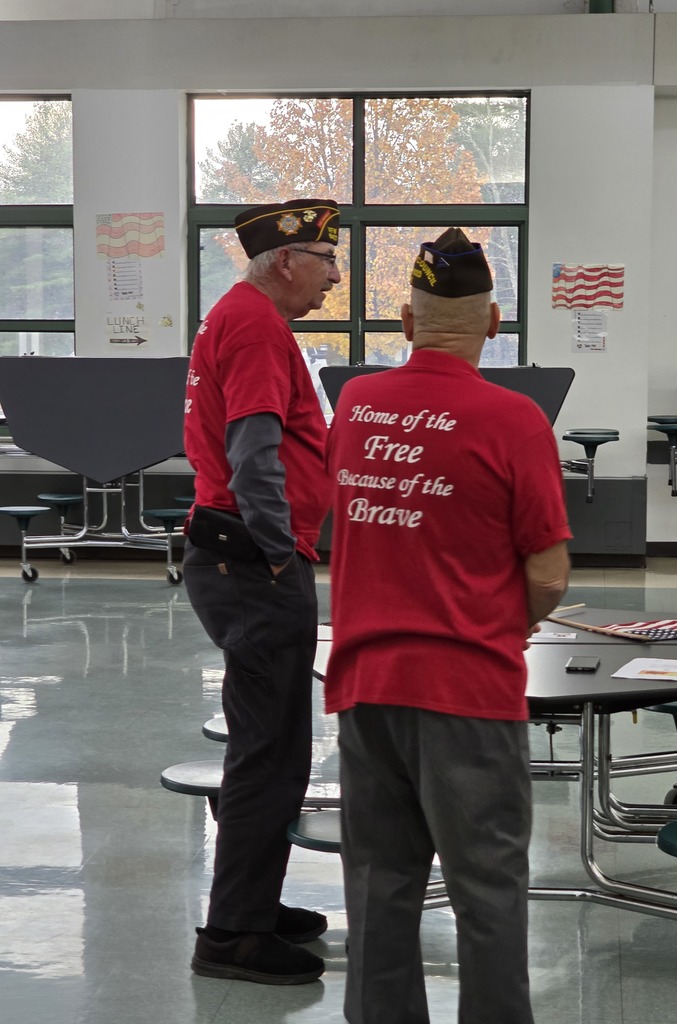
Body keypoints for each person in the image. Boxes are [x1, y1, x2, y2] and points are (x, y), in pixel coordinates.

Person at [324, 228, 572, 1023]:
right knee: (487, 893)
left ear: (404, 320)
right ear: (494, 323)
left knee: (379, 889)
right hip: (468, 692)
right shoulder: (515, 421)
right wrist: (504, 625)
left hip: (365, 689)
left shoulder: (356, 405)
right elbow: (549, 574)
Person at [182, 199, 341, 986]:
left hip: (237, 557)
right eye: (325, 259)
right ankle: (233, 935)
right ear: (285, 261)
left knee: (276, 748)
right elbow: (254, 456)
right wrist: (281, 554)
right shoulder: (253, 325)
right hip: (251, 564)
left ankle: (254, 901)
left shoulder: (242, 316)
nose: (334, 276)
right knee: (268, 753)